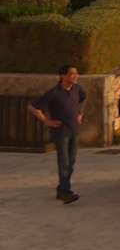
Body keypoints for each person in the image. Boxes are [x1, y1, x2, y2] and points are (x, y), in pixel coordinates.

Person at [31, 65, 86, 203]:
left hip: (74, 130)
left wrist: (80, 114)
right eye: (72, 74)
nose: (76, 76)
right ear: (63, 76)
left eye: (76, 73)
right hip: (61, 132)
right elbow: (33, 107)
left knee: (71, 162)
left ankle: (62, 189)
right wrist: (47, 121)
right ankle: (65, 192)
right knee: (64, 162)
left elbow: (82, 100)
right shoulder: (54, 92)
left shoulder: (77, 89)